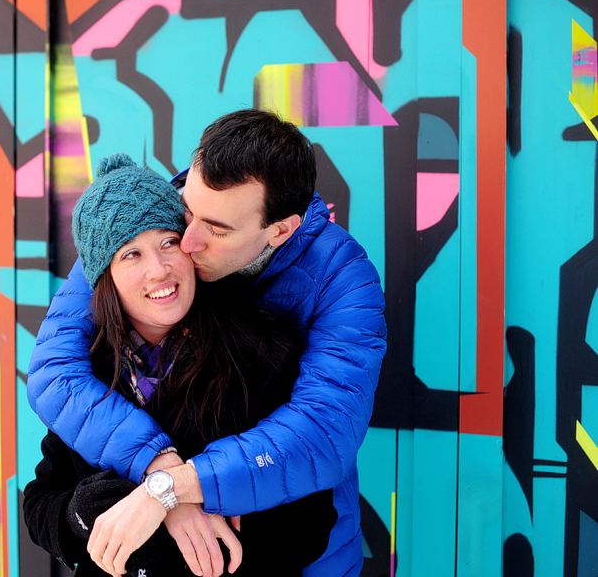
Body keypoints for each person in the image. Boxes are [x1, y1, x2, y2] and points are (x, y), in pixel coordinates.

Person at [28, 109, 388, 577]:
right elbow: (55, 370)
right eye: (187, 214)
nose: (188, 243)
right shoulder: (141, 220)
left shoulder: (338, 284)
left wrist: (175, 490)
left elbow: (321, 434)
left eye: (215, 229)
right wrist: (155, 475)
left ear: (279, 231)